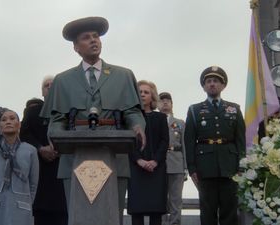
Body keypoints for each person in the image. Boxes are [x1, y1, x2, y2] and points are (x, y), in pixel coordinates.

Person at [40, 16, 146, 225]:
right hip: (73, 159)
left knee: (112, 216)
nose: (93, 40)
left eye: (96, 36)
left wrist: (138, 126)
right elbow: (57, 118)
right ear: (76, 47)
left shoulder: (123, 76)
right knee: (77, 216)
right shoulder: (63, 80)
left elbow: (133, 112)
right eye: (86, 37)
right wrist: (53, 134)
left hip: (114, 157)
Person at [184, 66, 245, 225]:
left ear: (223, 85)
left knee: (230, 210)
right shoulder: (194, 110)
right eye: (209, 81)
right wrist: (192, 168)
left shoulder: (234, 109)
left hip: (230, 166)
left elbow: (240, 140)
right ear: (204, 86)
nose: (212, 84)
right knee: (207, 211)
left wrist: (241, 165)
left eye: (216, 81)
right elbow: (189, 141)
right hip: (205, 167)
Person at [20, 76, 68, 225]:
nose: (50, 87)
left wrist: (61, 148)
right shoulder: (32, 112)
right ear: (42, 92)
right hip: (41, 170)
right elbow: (24, 134)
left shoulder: (69, 110)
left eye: (53, 84)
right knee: (41, 214)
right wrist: (40, 148)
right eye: (46, 85)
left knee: (64, 212)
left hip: (63, 168)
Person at [0, 107, 39, 225]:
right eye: (3, 119)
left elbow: (33, 182)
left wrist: (27, 201)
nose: (8, 121)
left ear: (19, 125)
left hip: (20, 205)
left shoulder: (30, 150)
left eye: (12, 118)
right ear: (0, 128)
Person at [127, 80, 168, 225]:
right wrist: (139, 160)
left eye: (146, 92)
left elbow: (164, 142)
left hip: (156, 169)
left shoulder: (161, 118)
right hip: (136, 167)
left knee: (155, 211)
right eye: (140, 92)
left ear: (152, 96)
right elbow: (128, 143)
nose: (143, 95)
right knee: (137, 210)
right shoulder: (130, 119)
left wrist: (155, 161)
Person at [158, 92, 187, 225]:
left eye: (168, 100)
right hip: (158, 164)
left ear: (172, 104)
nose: (165, 102)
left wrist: (186, 167)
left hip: (176, 163)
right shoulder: (154, 120)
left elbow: (185, 145)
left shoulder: (180, 123)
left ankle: (175, 223)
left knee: (176, 199)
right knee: (160, 198)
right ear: (157, 104)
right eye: (162, 100)